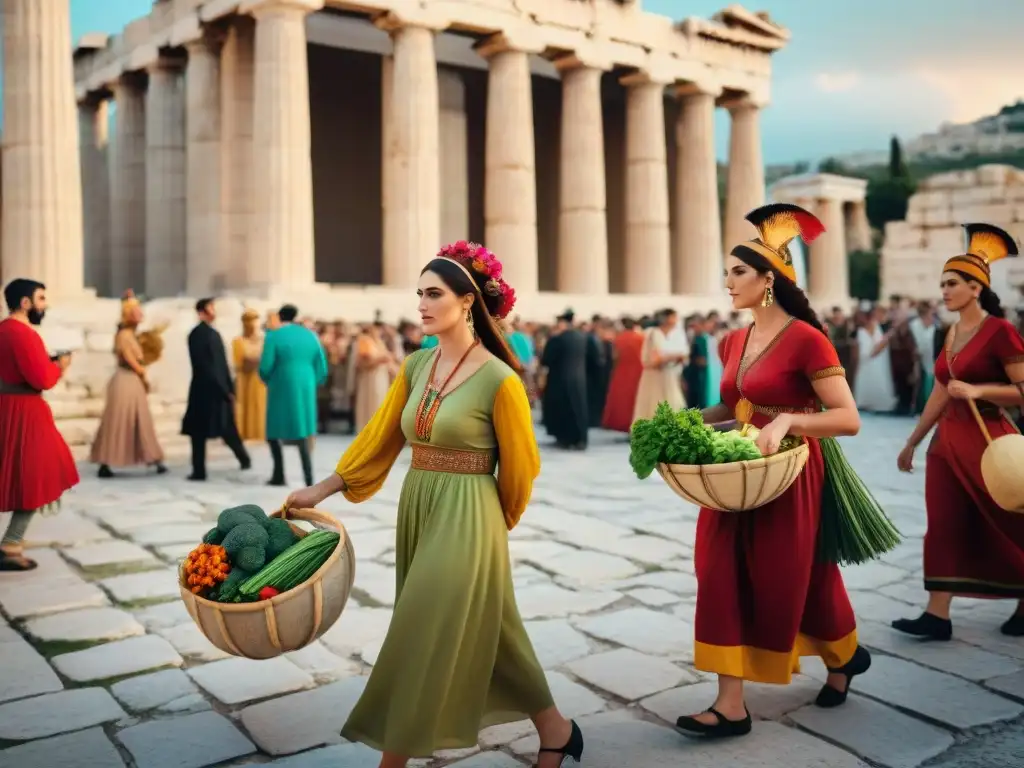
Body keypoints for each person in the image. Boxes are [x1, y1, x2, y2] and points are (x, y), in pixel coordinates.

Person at [283, 241, 582, 768]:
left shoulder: (500, 379)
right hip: (418, 503)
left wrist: (496, 524)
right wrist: (323, 488)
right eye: (418, 293)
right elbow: (380, 438)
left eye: (434, 293)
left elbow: (521, 465)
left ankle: (391, 761)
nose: (421, 303)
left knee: (420, 629)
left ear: (468, 301)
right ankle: (556, 730)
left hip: (470, 514)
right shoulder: (416, 365)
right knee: (499, 629)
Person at [678, 204, 869, 739]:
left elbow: (849, 419)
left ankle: (842, 656)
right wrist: (688, 423)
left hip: (790, 475)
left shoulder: (809, 340)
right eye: (727, 271)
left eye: (738, 271)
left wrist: (787, 420)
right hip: (735, 472)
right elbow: (732, 409)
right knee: (717, 572)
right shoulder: (732, 340)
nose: (727, 281)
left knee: (793, 577)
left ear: (770, 279)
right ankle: (730, 704)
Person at [894, 223, 1024, 639]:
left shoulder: (1000, 331)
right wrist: (913, 440)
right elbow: (942, 390)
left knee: (1011, 518)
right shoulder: (951, 331)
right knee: (944, 523)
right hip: (946, 443)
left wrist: (980, 389)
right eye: (942, 284)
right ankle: (937, 615)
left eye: (952, 284)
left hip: (989, 441)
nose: (944, 291)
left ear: (975, 287)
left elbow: (1022, 390)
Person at [0, 279, 79, 570]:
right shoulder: (23, 333)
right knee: (35, 474)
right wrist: (60, 366)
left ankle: (12, 542)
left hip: (9, 407)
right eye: (41, 298)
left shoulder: (4, 331)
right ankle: (11, 543)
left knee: (23, 474)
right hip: (25, 412)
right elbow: (42, 379)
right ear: (25, 302)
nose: (44, 305)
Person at [90, 290, 167, 477]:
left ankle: (152, 458)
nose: (141, 314)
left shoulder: (132, 334)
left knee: (141, 420)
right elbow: (130, 359)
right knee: (118, 421)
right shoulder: (124, 335)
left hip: (132, 382)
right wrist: (143, 373)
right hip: (126, 380)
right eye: (136, 311)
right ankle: (107, 461)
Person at [181, 298, 251, 480]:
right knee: (205, 431)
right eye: (211, 308)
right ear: (202, 311)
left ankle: (243, 459)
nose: (214, 312)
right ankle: (199, 470)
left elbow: (221, 365)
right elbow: (207, 365)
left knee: (224, 428)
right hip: (206, 389)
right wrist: (224, 388)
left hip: (213, 389)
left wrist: (228, 388)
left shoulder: (211, 334)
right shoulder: (199, 335)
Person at [259, 304, 328, 487]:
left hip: (281, 384)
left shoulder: (273, 336)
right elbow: (321, 365)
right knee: (302, 430)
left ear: (280, 317)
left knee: (274, 430)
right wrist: (315, 381)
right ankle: (308, 477)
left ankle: (279, 474)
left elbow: (265, 366)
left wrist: (267, 379)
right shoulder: (310, 336)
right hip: (306, 385)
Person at [540, 309, 595, 450]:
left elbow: (546, 360)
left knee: (564, 410)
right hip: (580, 379)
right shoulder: (583, 337)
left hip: (560, 380)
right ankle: (581, 439)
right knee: (579, 409)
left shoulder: (557, 339)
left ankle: (565, 439)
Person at [633, 308, 686, 422]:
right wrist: (674, 356)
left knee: (672, 405)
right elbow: (655, 359)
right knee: (654, 406)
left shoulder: (675, 334)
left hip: (669, 375)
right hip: (655, 376)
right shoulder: (654, 333)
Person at [601, 317, 645, 432]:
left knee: (620, 398)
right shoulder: (641, 337)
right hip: (638, 370)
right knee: (634, 397)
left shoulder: (619, 339)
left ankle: (620, 423)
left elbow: (615, 357)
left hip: (622, 370)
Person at [232, 307, 267, 442]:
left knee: (259, 405)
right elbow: (240, 361)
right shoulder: (238, 341)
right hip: (244, 378)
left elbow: (264, 359)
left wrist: (253, 360)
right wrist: (253, 361)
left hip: (259, 379)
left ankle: (258, 432)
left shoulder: (263, 340)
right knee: (244, 405)